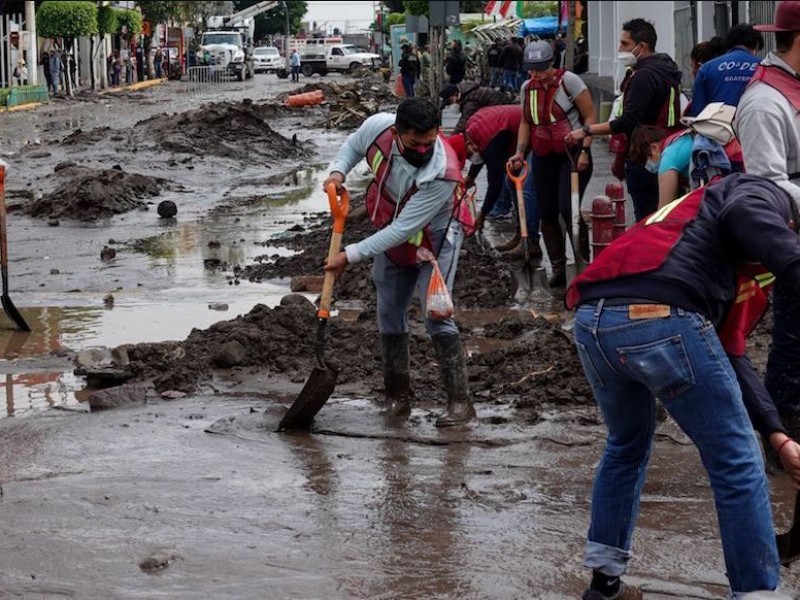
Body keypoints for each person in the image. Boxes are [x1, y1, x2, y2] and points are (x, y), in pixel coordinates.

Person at [565, 172, 800, 600]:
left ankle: (605, 584)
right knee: (737, 460)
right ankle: (756, 594)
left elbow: (728, 353)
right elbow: (747, 211)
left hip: (592, 321)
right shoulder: (759, 191)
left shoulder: (707, 238)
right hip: (661, 313)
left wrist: (775, 433)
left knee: (626, 445)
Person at [321, 98, 476, 427]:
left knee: (436, 313)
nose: (423, 150)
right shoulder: (379, 128)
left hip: (437, 237)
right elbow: (353, 144)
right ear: (396, 131)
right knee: (388, 311)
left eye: (429, 142)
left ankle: (460, 404)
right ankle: (397, 398)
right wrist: (337, 172)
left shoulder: (443, 172)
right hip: (392, 232)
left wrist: (349, 255)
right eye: (414, 143)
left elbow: (404, 229)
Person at [735, 0, 800, 451]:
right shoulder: (764, 101)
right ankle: (783, 438)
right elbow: (766, 187)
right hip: (790, 235)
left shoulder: (791, 89)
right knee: (793, 341)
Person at [565, 18, 684, 221]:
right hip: (667, 148)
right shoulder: (665, 69)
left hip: (645, 154)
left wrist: (587, 130)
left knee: (648, 219)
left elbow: (628, 121)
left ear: (642, 46)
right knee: (666, 217)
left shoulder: (644, 76)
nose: (620, 48)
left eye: (625, 44)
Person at [508, 40, 596, 288]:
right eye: (531, 70)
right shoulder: (528, 88)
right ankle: (558, 265)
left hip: (573, 153)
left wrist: (585, 150)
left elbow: (590, 116)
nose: (535, 75)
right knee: (546, 211)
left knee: (568, 208)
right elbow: (526, 122)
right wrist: (520, 153)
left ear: (552, 65)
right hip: (544, 155)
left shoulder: (570, 82)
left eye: (540, 69)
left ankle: (582, 265)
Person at [457, 105, 540, 257]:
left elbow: (495, 184)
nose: (470, 160)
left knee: (526, 189)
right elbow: (480, 150)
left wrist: (482, 214)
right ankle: (521, 235)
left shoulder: (490, 141)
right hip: (516, 134)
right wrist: (471, 177)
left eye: (468, 157)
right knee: (512, 183)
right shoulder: (471, 130)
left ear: (468, 145)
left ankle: (531, 241)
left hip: (537, 135)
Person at [689, 24, 764, 115]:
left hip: (716, 126)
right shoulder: (765, 68)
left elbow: (698, 111)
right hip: (753, 123)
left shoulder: (706, 69)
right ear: (755, 45)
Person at [438, 80, 514, 134]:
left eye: (450, 101)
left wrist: (452, 137)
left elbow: (464, 122)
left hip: (506, 113)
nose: (451, 104)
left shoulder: (471, 99)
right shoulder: (469, 91)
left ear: (455, 94)